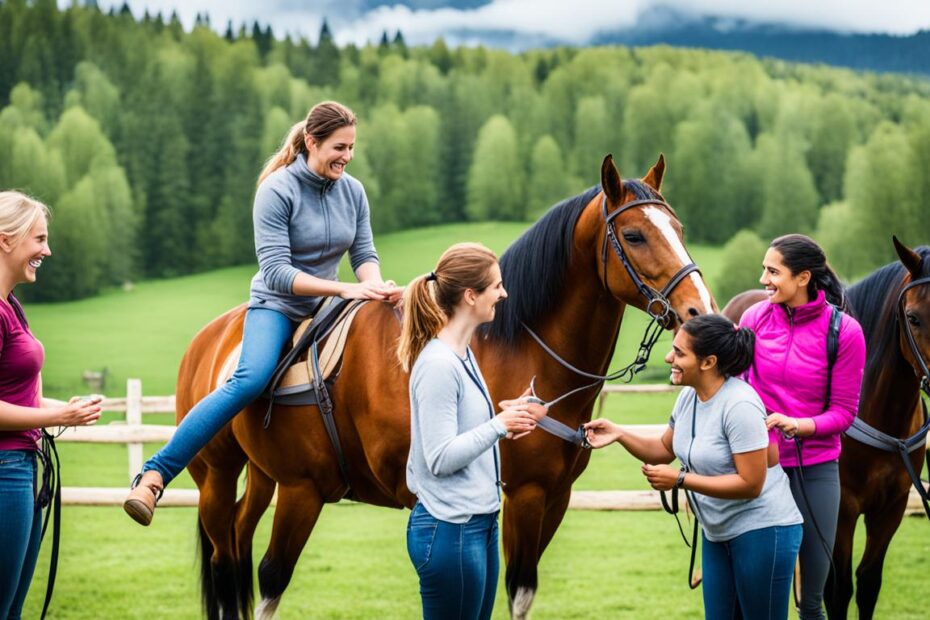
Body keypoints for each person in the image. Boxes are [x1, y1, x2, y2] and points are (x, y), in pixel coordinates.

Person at [124, 101, 402, 525]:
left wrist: (377, 286)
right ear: (312, 141)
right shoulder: (277, 189)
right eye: (338, 147)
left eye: (351, 148)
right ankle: (155, 474)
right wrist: (346, 287)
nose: (346, 156)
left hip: (331, 307)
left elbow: (363, 253)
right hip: (279, 306)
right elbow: (276, 272)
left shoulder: (354, 191)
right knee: (248, 379)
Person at [585, 314, 803, 620]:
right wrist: (620, 434)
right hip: (717, 533)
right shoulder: (689, 397)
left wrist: (681, 480)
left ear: (708, 362)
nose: (669, 357)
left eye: (679, 352)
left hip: (763, 530)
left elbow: (751, 484)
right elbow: (663, 449)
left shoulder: (739, 405)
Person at [398, 242, 542, 620]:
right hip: (450, 530)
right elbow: (441, 457)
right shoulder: (439, 365)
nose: (504, 293)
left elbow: (460, 427)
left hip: (479, 524)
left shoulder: (463, 353)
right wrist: (499, 425)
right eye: (496, 286)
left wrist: (504, 415)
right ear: (469, 295)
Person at [739, 234, 866, 620]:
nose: (763, 279)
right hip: (760, 469)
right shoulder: (753, 319)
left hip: (816, 472)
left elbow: (843, 413)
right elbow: (737, 389)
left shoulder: (844, 333)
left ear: (804, 277)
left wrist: (799, 425)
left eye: (773, 271)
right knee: (755, 594)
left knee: (812, 600)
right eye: (764, 269)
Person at [0, 191, 102, 618]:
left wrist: (67, 408)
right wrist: (58, 416)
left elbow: (17, 394)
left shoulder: (13, 308)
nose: (47, 250)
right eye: (39, 239)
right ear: (6, 240)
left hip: (21, 468)